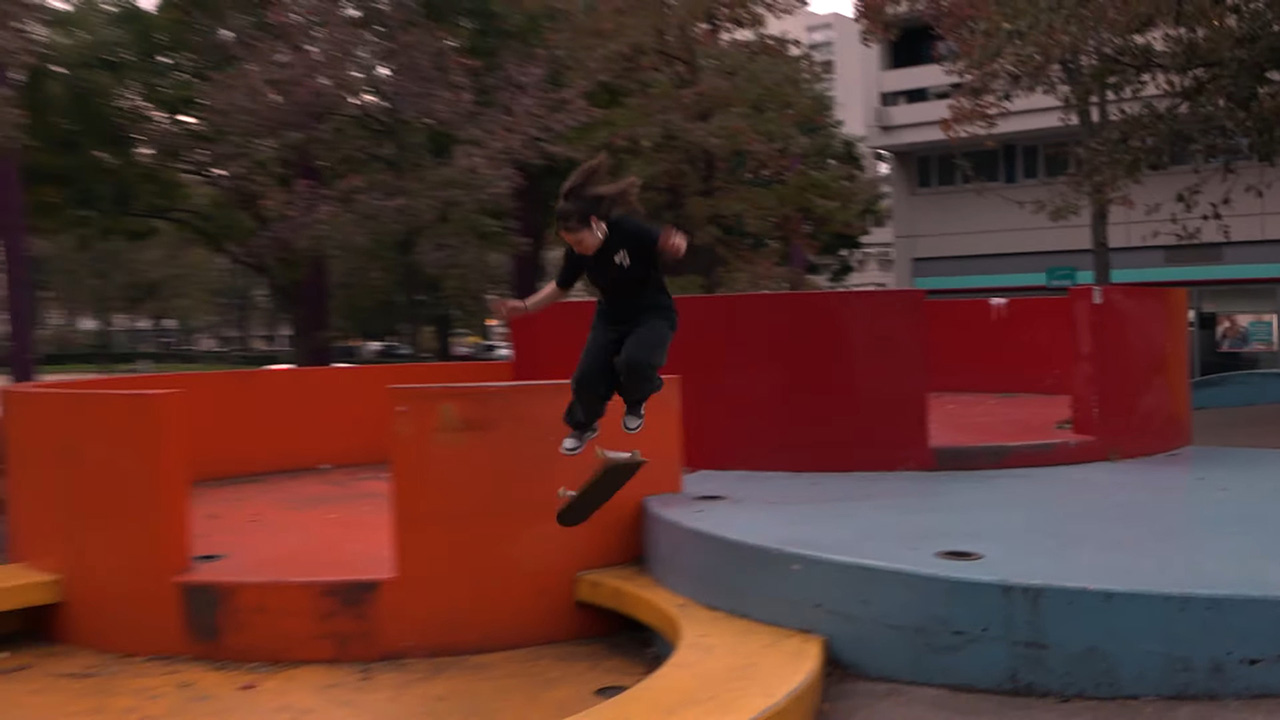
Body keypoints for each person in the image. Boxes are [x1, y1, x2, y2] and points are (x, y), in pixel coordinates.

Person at [490, 154, 688, 455]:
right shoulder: (578, 254)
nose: (578, 250)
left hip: (652, 314)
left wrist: (677, 246)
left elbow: (667, 244)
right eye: (571, 245)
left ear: (595, 224)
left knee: (635, 362)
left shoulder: (628, 231)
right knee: (586, 377)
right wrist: (525, 306)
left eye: (580, 242)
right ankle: (583, 426)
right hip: (610, 318)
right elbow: (560, 286)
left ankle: (636, 400)